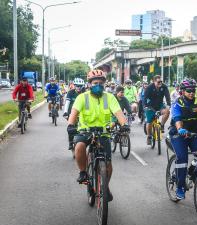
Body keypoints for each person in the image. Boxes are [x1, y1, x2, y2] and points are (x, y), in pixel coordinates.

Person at [67, 70, 129, 202]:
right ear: (89, 84)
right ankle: (83, 172)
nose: (98, 85)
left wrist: (124, 124)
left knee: (108, 164)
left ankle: (105, 186)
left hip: (104, 132)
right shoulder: (82, 97)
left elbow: (119, 113)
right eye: (95, 83)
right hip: (85, 131)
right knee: (79, 146)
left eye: (101, 83)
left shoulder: (110, 97)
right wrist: (70, 125)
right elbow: (73, 113)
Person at [144, 75, 171, 144]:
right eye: (158, 82)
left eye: (161, 81)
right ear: (154, 81)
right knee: (149, 122)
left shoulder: (164, 87)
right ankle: (149, 136)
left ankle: (161, 125)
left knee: (167, 112)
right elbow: (145, 98)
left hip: (160, 105)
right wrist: (145, 106)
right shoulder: (149, 87)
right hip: (150, 106)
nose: (160, 83)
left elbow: (167, 96)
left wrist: (168, 105)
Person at [63, 82, 84, 150]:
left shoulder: (84, 93)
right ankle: (70, 142)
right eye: (77, 86)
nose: (79, 87)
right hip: (72, 113)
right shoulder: (70, 92)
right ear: (74, 86)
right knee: (71, 129)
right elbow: (67, 103)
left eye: (80, 86)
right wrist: (65, 112)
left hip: (82, 113)